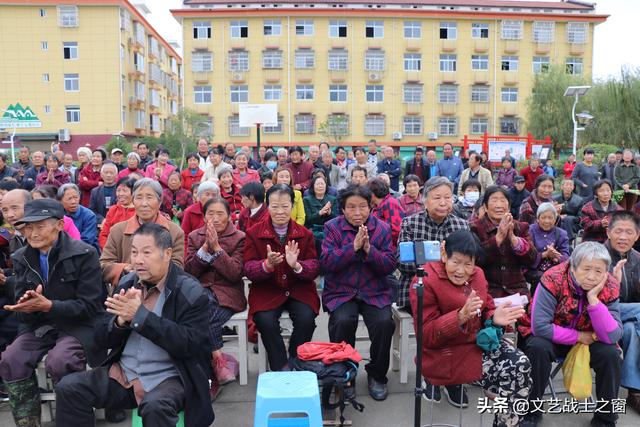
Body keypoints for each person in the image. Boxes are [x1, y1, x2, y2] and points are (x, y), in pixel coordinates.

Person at [56, 223, 214, 427]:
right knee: (69, 388)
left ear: (167, 254)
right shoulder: (127, 283)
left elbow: (191, 345)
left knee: (156, 407)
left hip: (171, 377)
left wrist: (141, 317)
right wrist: (120, 322)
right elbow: (100, 338)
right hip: (125, 375)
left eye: (147, 252)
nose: (138, 260)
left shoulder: (190, 291)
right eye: (134, 252)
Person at [410, 230, 531, 426]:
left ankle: (507, 422)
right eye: (456, 262)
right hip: (444, 354)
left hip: (476, 347)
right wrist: (460, 316)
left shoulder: (478, 275)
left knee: (521, 363)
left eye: (468, 264)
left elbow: (487, 306)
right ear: (443, 253)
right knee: (509, 370)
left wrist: (494, 316)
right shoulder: (425, 281)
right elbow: (427, 335)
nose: (461, 270)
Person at [0, 199, 104, 426]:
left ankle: (74, 421)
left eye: (39, 226)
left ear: (59, 225)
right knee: (10, 359)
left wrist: (50, 305)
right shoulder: (21, 257)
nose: (33, 233)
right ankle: (29, 422)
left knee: (61, 360)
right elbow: (23, 312)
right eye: (28, 227)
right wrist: (25, 306)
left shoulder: (84, 253)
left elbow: (91, 306)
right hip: (40, 325)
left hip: (78, 325)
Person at [520, 242, 623, 427]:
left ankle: (606, 419)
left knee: (611, 354)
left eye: (599, 271)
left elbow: (613, 335)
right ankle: (530, 411)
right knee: (537, 347)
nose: (592, 276)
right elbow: (540, 326)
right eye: (586, 269)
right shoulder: (553, 279)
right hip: (554, 335)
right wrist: (578, 336)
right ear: (573, 267)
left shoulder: (611, 286)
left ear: (607, 271)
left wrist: (594, 301)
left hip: (591, 337)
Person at [320, 184, 396, 401]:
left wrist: (369, 251)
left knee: (384, 323)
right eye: (351, 207)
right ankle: (346, 376)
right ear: (342, 209)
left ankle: (377, 375)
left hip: (374, 290)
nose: (357, 212)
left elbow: (389, 265)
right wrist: (352, 248)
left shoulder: (381, 228)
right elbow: (326, 263)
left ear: (371, 207)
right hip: (342, 291)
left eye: (362, 207)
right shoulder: (332, 228)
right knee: (343, 320)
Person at [243, 184, 320, 371]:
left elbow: (314, 266)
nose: (280, 211)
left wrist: (297, 266)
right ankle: (280, 366)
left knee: (306, 318)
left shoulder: (305, 234)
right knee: (265, 320)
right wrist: (266, 266)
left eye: (285, 206)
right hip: (267, 290)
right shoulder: (254, 233)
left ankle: (295, 357)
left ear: (293, 206)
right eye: (274, 206)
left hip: (297, 289)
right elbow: (247, 267)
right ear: (267, 206)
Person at [185, 198, 246, 400]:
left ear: (229, 216)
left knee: (201, 319)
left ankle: (211, 375)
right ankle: (219, 362)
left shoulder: (239, 238)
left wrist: (217, 249)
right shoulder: (195, 237)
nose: (215, 218)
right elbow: (190, 272)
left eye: (220, 213)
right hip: (200, 293)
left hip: (227, 294)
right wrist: (204, 250)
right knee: (203, 311)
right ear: (204, 217)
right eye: (210, 213)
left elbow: (235, 273)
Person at [398, 177, 469, 310]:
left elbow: (466, 263)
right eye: (437, 198)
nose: (443, 203)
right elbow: (404, 264)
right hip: (416, 289)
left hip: (452, 290)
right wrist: (443, 267)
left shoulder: (462, 225)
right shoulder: (410, 223)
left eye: (447, 197)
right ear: (424, 201)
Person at [100, 178, 185, 287]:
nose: (144, 203)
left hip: (161, 294)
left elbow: (177, 268)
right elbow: (103, 266)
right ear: (133, 201)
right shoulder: (118, 230)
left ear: (159, 202)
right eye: (139, 198)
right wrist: (125, 269)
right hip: (125, 292)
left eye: (149, 197)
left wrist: (148, 270)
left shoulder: (174, 232)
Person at [471, 186, 537, 298]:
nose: (499, 205)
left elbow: (531, 259)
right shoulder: (475, 227)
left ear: (509, 207)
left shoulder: (520, 227)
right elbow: (476, 260)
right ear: (485, 207)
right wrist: (498, 238)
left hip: (517, 290)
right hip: (488, 290)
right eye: (494, 200)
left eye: (503, 200)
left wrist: (513, 239)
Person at [603, 211, 640, 412]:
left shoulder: (638, 259)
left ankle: (634, 391)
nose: (623, 237)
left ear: (637, 235)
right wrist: (614, 284)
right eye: (618, 231)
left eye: (629, 232)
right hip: (602, 314)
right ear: (609, 233)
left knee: (630, 332)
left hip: (628, 319)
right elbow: (592, 297)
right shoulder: (597, 256)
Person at [526, 203, 571, 290]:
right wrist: (544, 254)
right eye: (543, 217)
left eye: (550, 218)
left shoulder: (561, 233)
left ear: (555, 220)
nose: (547, 221)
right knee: (543, 278)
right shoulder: (530, 231)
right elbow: (526, 255)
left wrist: (556, 257)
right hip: (534, 269)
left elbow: (566, 257)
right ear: (538, 219)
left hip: (555, 267)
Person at [58, 183, 99, 252]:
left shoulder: (89, 215)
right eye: (69, 199)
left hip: (85, 251)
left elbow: (87, 241)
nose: (73, 202)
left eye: (76, 197)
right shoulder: (58, 215)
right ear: (60, 201)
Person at [303, 175, 338, 256]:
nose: (320, 186)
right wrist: (320, 213)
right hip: (313, 230)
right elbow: (308, 220)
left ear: (326, 186)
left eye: (322, 184)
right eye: (318, 184)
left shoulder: (332, 199)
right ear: (313, 186)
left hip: (329, 230)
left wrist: (330, 213)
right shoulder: (306, 200)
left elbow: (337, 218)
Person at [580, 179, 623, 243]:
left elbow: (623, 226)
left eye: (608, 190)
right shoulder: (587, 208)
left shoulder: (619, 209)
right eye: (601, 191)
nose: (606, 194)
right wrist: (600, 224)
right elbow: (585, 225)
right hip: (592, 241)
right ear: (596, 194)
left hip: (612, 243)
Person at [99, 178, 136, 249]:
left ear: (133, 192)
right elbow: (104, 234)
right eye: (118, 190)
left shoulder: (138, 211)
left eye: (124, 191)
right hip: (112, 250)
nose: (120, 194)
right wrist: (108, 250)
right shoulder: (113, 210)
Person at [369, 178, 405, 247]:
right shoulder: (377, 206)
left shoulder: (389, 203)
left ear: (372, 194)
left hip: (390, 248)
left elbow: (396, 230)